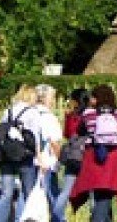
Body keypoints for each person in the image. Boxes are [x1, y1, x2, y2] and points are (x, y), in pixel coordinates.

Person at [71, 84, 117, 222]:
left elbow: (79, 133)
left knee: (100, 195)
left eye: (92, 97)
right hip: (114, 159)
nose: (90, 99)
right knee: (105, 195)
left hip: (93, 158)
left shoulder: (88, 114)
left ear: (97, 99)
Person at [0, 86, 39, 222]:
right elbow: (35, 136)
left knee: (6, 194)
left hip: (6, 155)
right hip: (24, 156)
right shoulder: (32, 112)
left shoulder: (8, 111)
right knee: (28, 192)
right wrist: (38, 155)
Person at [53, 88, 92, 222]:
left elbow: (67, 135)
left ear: (75, 101)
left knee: (65, 192)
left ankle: (56, 218)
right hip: (87, 156)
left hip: (72, 157)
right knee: (93, 192)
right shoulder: (91, 115)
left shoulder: (70, 115)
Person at [33, 84, 66, 222]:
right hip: (47, 163)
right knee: (53, 198)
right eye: (52, 97)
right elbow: (54, 143)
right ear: (45, 99)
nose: (54, 101)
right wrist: (61, 160)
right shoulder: (49, 117)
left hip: (30, 162)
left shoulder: (29, 113)